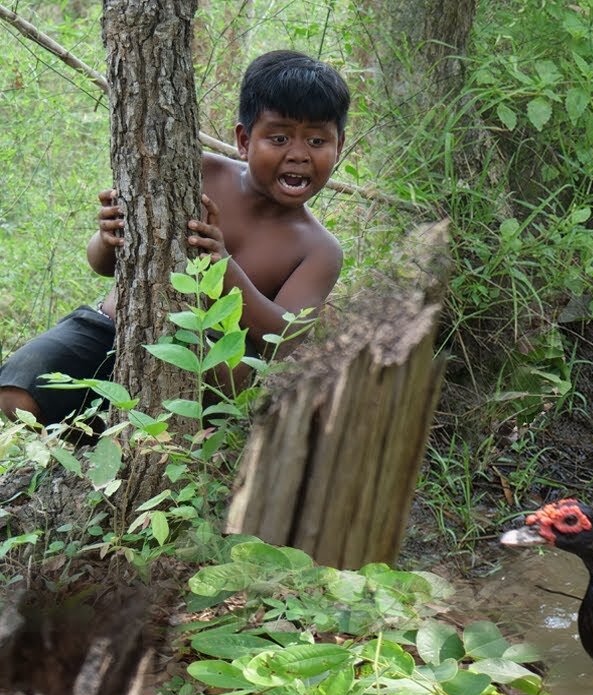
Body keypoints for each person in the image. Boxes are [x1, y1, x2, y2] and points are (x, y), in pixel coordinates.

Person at [0, 49, 349, 426]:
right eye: (279, 138)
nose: (298, 155)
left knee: (229, 372)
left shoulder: (318, 249)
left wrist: (222, 265)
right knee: (15, 393)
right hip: (114, 328)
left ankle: (148, 438)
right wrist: (107, 236)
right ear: (245, 140)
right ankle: (98, 441)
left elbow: (281, 337)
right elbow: (103, 265)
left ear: (338, 147)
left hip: (209, 358)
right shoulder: (199, 172)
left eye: (316, 142)